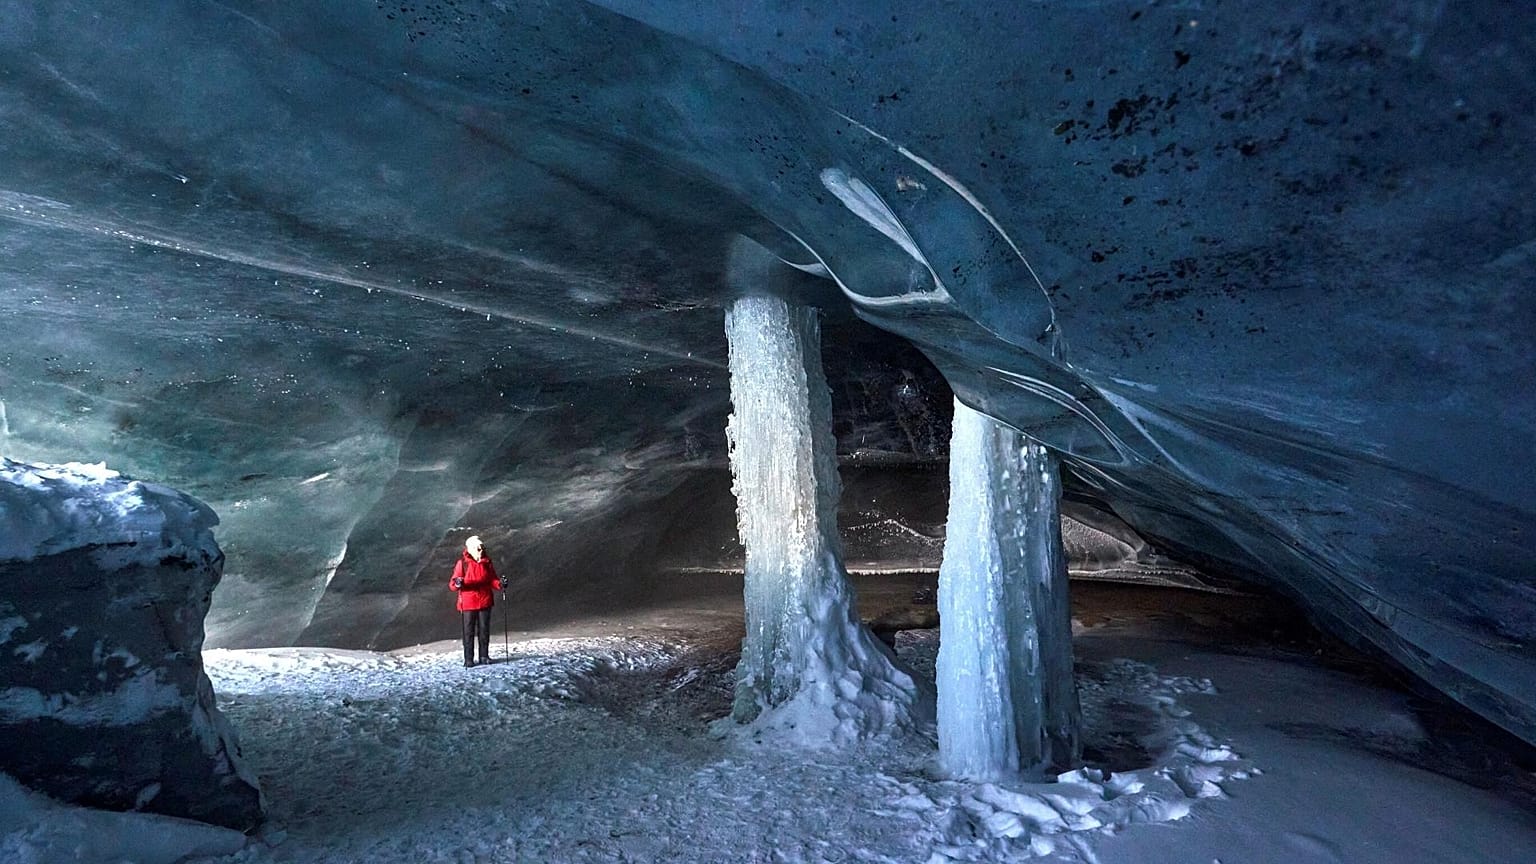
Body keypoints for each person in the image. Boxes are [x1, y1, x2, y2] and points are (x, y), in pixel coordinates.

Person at [449, 535, 503, 667]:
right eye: (478, 548)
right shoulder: (462, 564)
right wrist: (458, 583)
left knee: (484, 630)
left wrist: (500, 584)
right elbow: (453, 584)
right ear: (471, 549)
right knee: (468, 632)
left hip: (485, 601)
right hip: (468, 603)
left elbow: (492, 580)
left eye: (482, 547)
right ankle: (469, 659)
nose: (481, 550)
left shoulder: (487, 562)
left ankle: (484, 656)